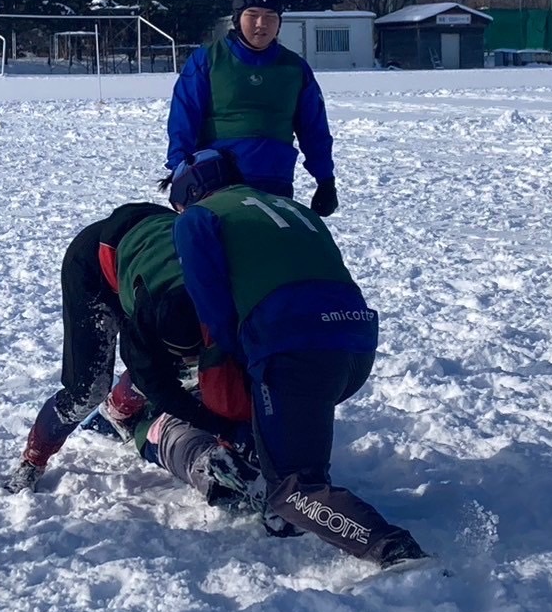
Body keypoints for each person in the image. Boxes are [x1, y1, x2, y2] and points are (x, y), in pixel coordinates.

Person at [170, 150, 425, 567]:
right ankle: (294, 494)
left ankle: (391, 550)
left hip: (294, 351)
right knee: (291, 434)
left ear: (190, 193)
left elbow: (213, 310)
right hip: (355, 343)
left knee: (291, 490)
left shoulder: (197, 219)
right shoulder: (291, 208)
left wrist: (232, 359)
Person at [7, 201, 241, 495]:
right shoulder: (146, 318)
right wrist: (215, 424)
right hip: (95, 262)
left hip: (158, 243)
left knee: (195, 362)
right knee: (87, 390)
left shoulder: (228, 301)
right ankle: (33, 459)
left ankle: (119, 411)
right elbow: (151, 377)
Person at [165, 0, 338, 215]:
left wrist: (325, 180)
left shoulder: (295, 69)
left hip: (274, 182)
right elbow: (183, 120)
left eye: (270, 16)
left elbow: (314, 130)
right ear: (237, 18)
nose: (261, 24)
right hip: (216, 184)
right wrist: (179, 172)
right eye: (252, 15)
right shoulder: (207, 60)